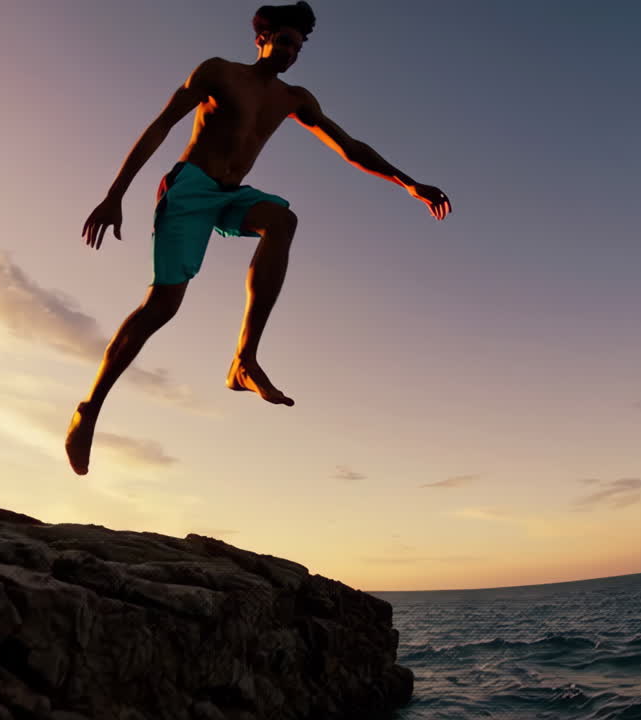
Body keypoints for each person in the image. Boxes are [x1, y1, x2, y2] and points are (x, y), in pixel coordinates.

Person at [66, 1, 452, 475]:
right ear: (261, 39)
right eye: (284, 41)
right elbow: (162, 124)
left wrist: (409, 183)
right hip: (190, 187)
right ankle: (90, 410)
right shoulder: (218, 72)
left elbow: (351, 148)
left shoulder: (294, 99)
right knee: (162, 307)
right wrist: (115, 194)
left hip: (232, 195)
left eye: (298, 46)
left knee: (282, 220)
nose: (291, 52)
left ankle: (244, 360)